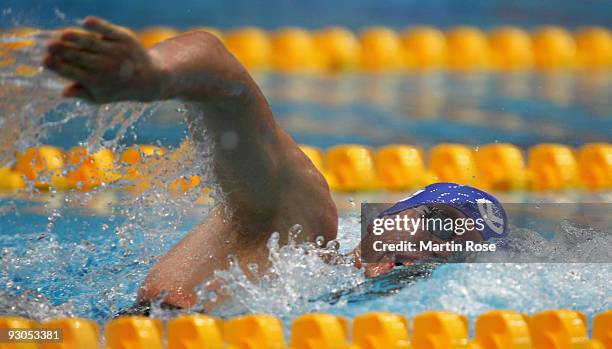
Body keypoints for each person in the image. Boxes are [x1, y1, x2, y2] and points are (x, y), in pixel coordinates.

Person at [43, 17, 507, 313]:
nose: (432, 248)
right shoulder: (299, 230)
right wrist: (153, 75)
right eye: (439, 225)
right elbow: (216, 63)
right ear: (388, 215)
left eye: (454, 253)